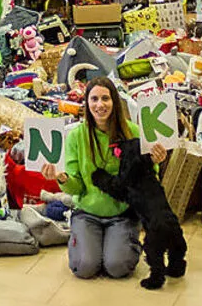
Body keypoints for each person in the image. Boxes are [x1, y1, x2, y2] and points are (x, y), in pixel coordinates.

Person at [42, 77, 168, 279]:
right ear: (87, 103)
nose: (100, 105)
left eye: (105, 98)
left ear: (114, 101)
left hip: (123, 213)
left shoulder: (133, 132)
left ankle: (120, 242)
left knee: (118, 267)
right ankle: (87, 240)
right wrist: (62, 178)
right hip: (87, 212)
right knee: (84, 267)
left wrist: (154, 161)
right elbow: (76, 188)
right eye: (94, 99)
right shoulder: (76, 136)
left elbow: (148, 179)